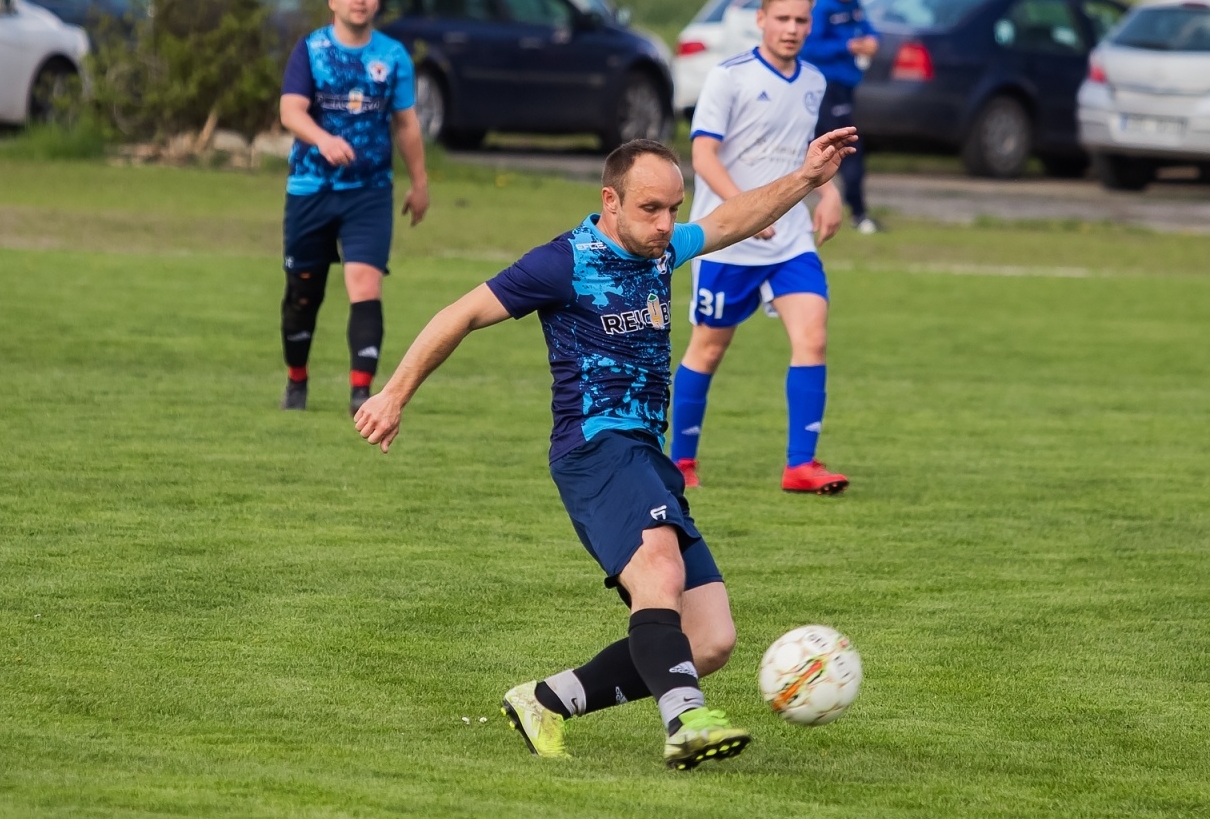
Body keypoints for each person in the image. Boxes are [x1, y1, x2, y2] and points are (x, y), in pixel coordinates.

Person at [352, 128, 858, 770]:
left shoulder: (660, 249)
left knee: (708, 640)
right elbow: (461, 313)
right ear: (610, 201)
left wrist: (807, 179)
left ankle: (544, 701)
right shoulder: (562, 262)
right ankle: (686, 722)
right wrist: (393, 395)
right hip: (594, 448)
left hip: (646, 454)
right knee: (660, 573)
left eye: (673, 208)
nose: (665, 224)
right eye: (651, 208)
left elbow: (730, 219)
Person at [670, 0, 851, 496]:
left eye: (801, 20)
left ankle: (801, 465)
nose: (792, 29)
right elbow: (703, 155)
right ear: (761, 20)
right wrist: (744, 209)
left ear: (810, 25)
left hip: (790, 240)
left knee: (813, 336)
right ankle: (680, 462)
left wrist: (829, 194)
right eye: (783, 19)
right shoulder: (729, 77)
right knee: (708, 349)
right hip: (727, 239)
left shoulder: (813, 81)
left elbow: (804, 153)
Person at [277, 0, 431, 417]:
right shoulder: (311, 49)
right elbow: (290, 111)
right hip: (311, 188)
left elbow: (406, 124)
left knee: (365, 283)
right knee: (303, 292)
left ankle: (361, 394)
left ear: (376, 2)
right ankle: (297, 379)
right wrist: (323, 140)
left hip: (370, 192)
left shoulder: (393, 56)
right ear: (333, 1)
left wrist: (420, 183)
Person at [800, 0, 879, 234]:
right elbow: (810, 48)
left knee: (839, 147)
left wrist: (872, 41)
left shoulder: (854, 3)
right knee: (846, 146)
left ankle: (851, 209)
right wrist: (848, 46)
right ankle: (857, 212)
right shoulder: (822, 7)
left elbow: (868, 29)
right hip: (826, 88)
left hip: (846, 86)